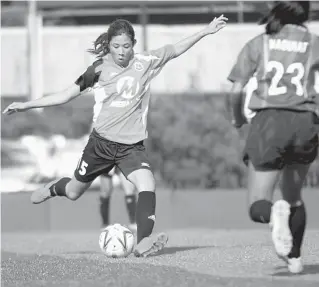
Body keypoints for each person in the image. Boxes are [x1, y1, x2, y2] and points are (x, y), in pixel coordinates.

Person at [3, 16, 228, 257]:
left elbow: (175, 49)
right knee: (73, 192)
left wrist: (205, 31)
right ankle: (54, 188)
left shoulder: (146, 62)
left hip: (131, 147)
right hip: (100, 145)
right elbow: (64, 95)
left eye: (126, 46)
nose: (121, 52)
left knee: (147, 183)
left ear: (134, 43)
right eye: (116, 46)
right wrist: (26, 105)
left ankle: (143, 243)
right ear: (109, 45)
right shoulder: (98, 69)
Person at [227, 1, 318, 274]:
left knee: (258, 204)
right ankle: (295, 258)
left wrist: (237, 117)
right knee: (294, 196)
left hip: (270, 122)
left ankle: (274, 216)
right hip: (305, 122)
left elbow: (237, 90)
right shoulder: (314, 43)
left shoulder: (260, 43)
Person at [98, 167, 137, 232]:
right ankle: (105, 224)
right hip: (107, 160)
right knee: (105, 191)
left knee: (129, 188)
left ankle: (133, 223)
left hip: (122, 159)